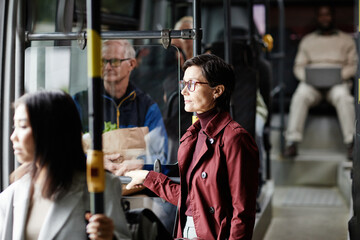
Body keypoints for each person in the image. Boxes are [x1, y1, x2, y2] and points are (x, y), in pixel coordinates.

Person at [125, 54, 259, 240]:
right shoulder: (193, 136)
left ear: (217, 91)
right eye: (184, 84)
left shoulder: (235, 139)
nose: (183, 92)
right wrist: (149, 177)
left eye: (192, 84)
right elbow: (192, 199)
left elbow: (242, 213)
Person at [0, 90, 131, 240]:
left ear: (50, 129)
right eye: (14, 127)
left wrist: (109, 237)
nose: (13, 137)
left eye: (22, 126)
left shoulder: (101, 188)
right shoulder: (11, 196)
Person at [73, 39, 168, 169]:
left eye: (115, 61)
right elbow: (65, 148)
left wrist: (140, 164)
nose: (107, 67)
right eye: (102, 61)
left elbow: (160, 156)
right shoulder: (80, 102)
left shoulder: (147, 107)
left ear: (131, 64)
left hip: (132, 183)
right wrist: (92, 160)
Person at [284, 5, 357, 159]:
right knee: (300, 96)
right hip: (312, 84)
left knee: (344, 98)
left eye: (328, 15)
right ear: (317, 18)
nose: (325, 18)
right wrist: (309, 78)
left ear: (333, 17)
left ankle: (352, 144)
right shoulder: (307, 41)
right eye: (321, 15)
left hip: (338, 83)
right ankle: (292, 142)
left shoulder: (346, 40)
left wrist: (340, 76)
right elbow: (298, 67)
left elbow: (353, 66)